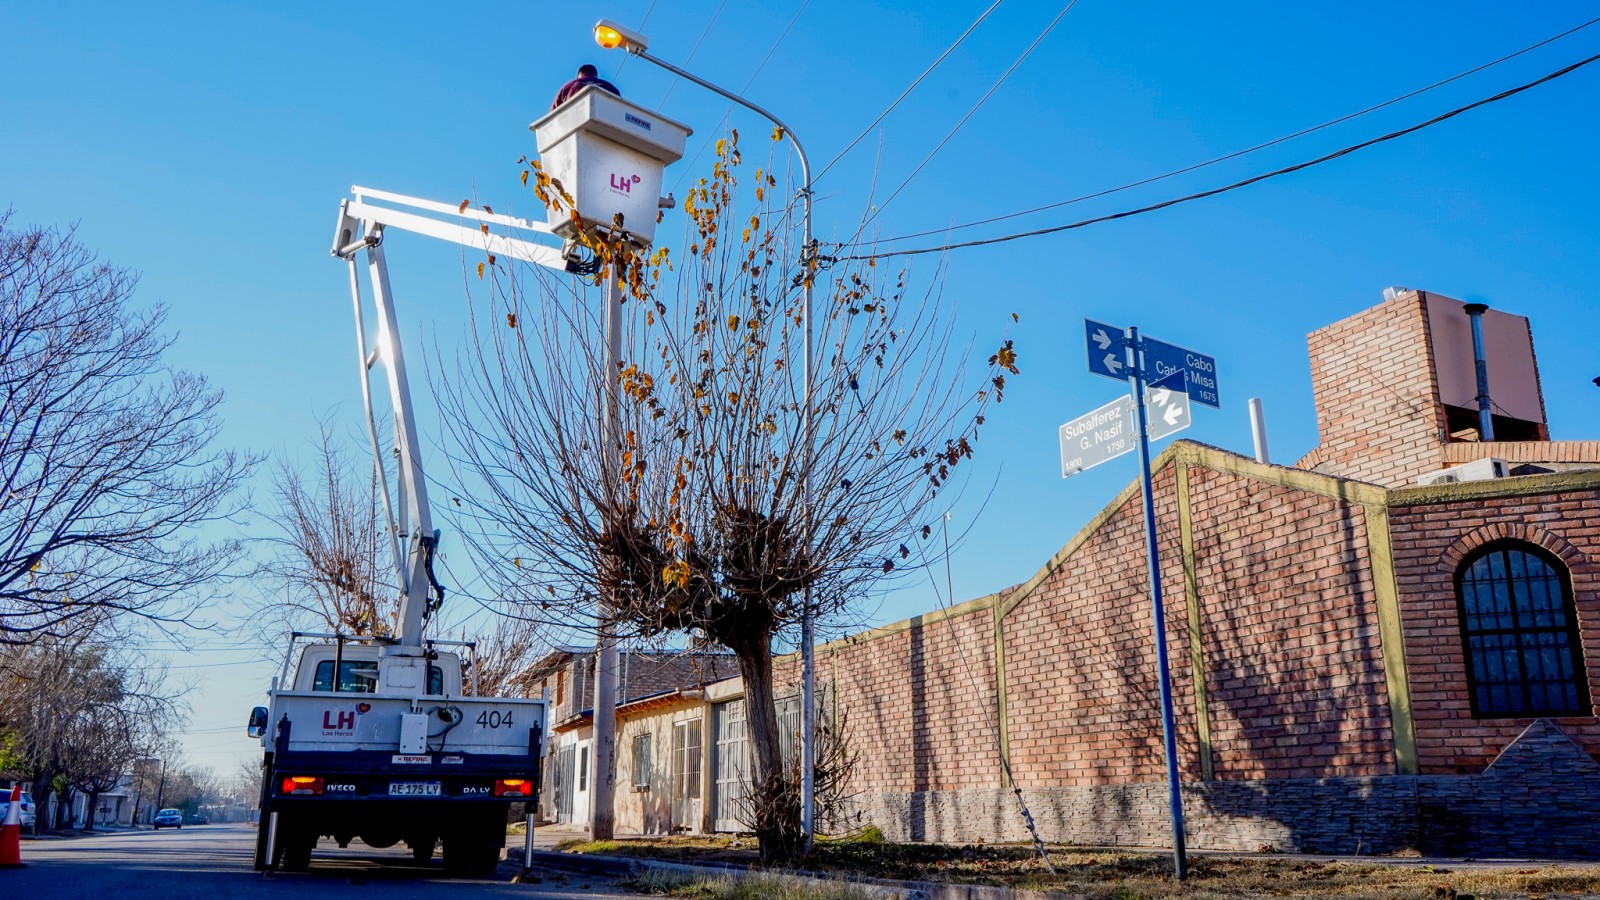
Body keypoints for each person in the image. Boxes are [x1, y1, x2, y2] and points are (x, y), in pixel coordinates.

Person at [551, 64, 620, 109]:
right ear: (595, 76)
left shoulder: (567, 87)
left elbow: (553, 113)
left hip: (573, 120)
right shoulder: (610, 87)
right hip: (605, 124)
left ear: (578, 76)